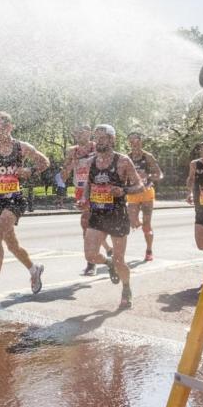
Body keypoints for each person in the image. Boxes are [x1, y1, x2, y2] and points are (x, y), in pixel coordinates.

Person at [0, 111, 49, 300]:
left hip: (15, 199)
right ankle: (34, 269)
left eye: (2, 127)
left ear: (9, 127)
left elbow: (44, 162)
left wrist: (30, 170)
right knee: (13, 245)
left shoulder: (21, 147)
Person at [78, 124, 143, 309]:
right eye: (97, 137)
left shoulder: (123, 161)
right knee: (90, 255)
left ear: (112, 140)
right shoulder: (90, 162)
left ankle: (126, 288)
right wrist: (84, 199)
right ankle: (108, 263)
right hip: (97, 214)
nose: (99, 141)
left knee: (120, 259)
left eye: (103, 137)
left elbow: (140, 186)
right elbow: (88, 186)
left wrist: (123, 191)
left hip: (116, 215)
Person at [63, 125, 112, 275]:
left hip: (98, 188)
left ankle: (97, 257)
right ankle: (98, 257)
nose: (78, 135)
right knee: (87, 224)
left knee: (92, 224)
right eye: (76, 132)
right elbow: (64, 174)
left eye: (81, 132)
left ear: (89, 133)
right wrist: (68, 166)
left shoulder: (98, 147)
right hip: (80, 190)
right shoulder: (72, 151)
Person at [125, 131, 164, 262]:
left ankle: (149, 250)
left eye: (137, 141)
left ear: (141, 142)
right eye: (131, 141)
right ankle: (141, 224)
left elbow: (159, 174)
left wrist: (148, 176)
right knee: (133, 222)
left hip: (146, 192)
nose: (134, 143)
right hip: (133, 193)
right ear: (129, 143)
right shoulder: (126, 158)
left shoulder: (148, 156)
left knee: (147, 225)